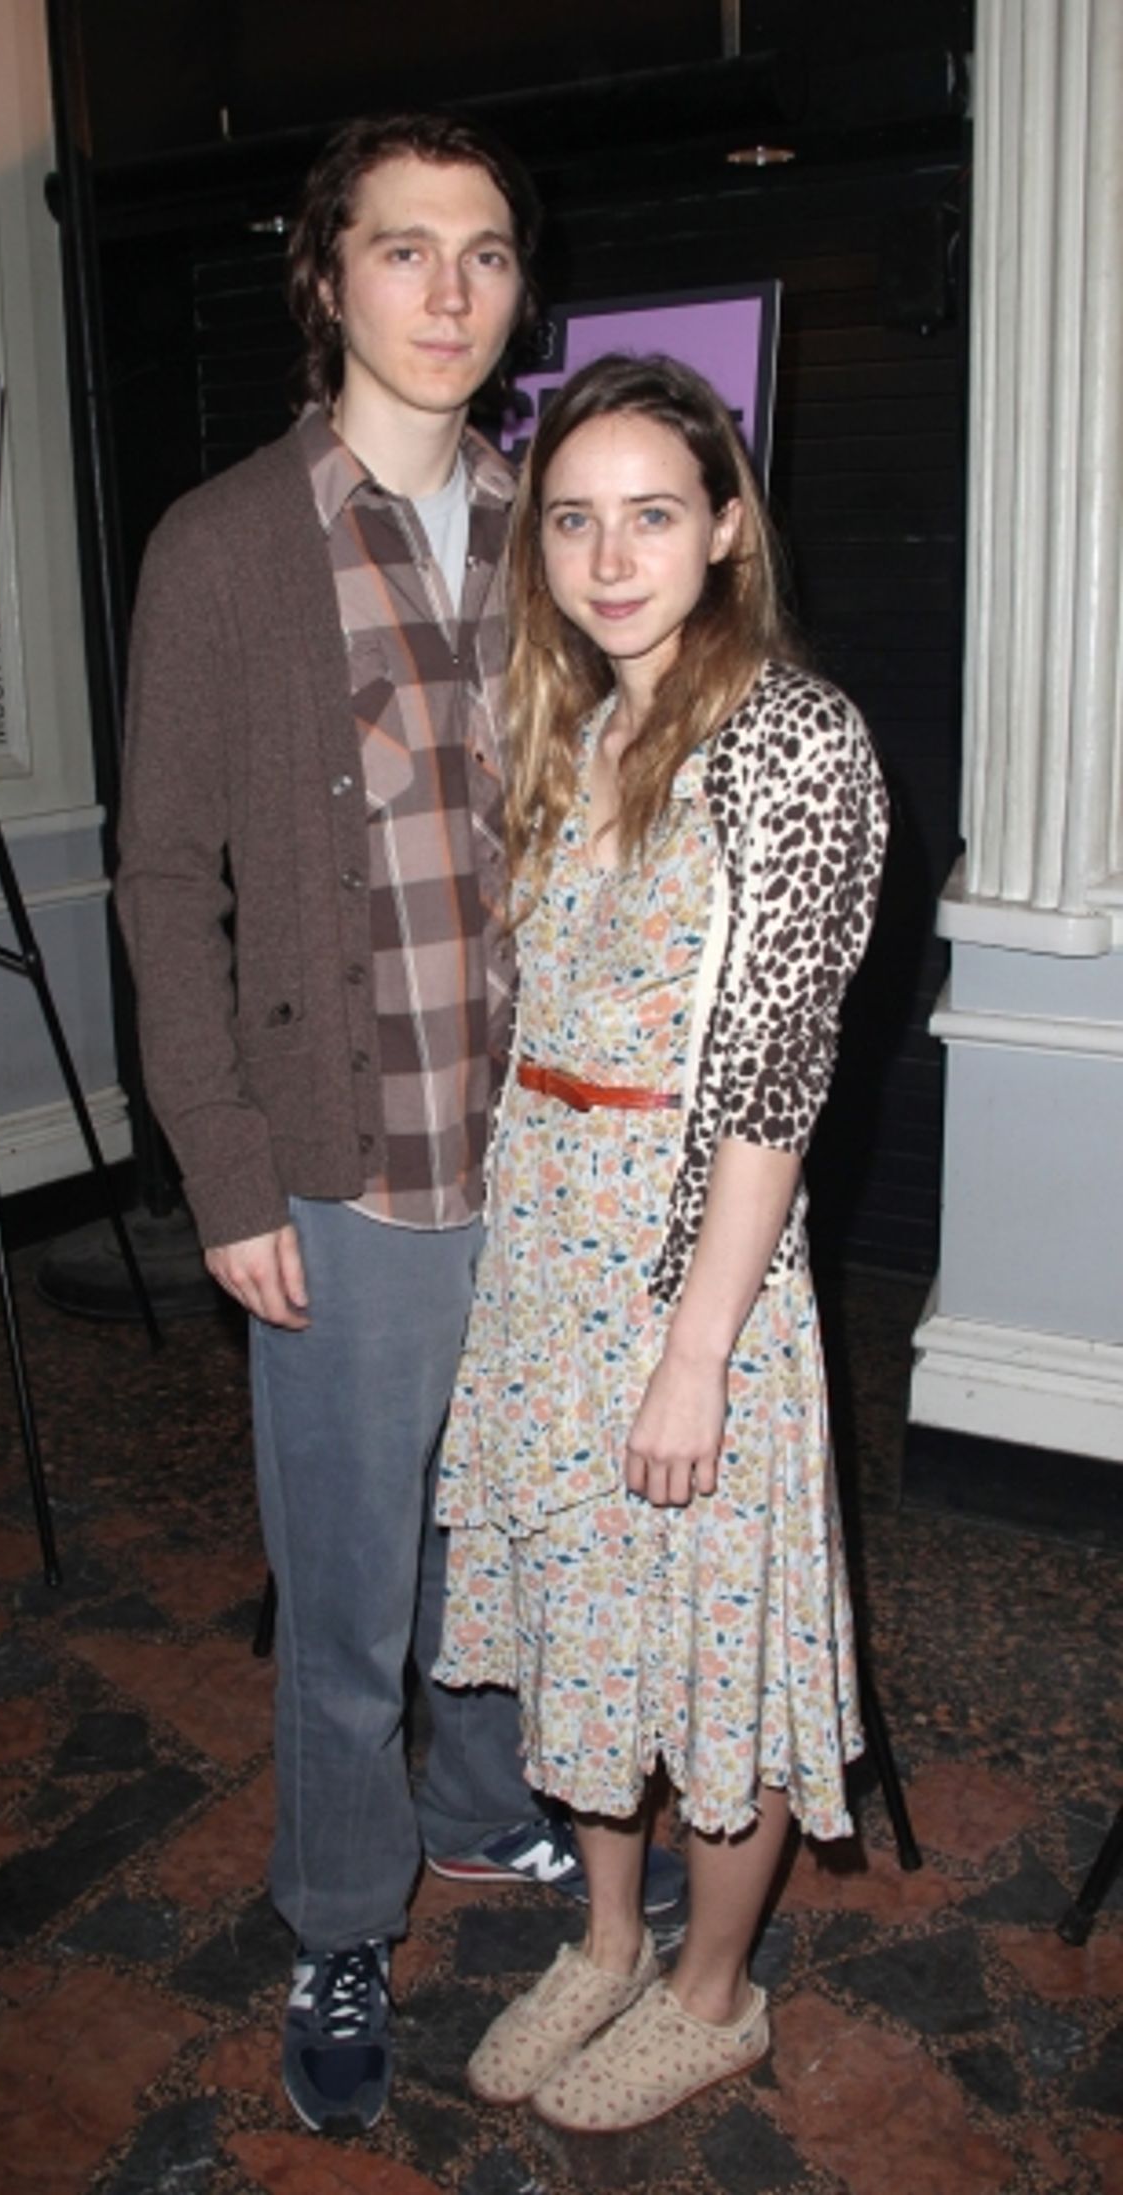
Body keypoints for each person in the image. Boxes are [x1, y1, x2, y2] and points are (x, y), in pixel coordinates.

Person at [115, 116, 682, 2136]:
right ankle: (342, 1912)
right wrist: (226, 1166)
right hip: (342, 1173)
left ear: (523, 292)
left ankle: (472, 1814)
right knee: (351, 1583)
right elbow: (164, 879)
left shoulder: (557, 531)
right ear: (327, 274)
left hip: (540, 1160)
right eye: (405, 249)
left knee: (511, 1541)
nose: (450, 290)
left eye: (490, 254)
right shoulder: (222, 545)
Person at [433, 352, 890, 2132]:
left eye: (651, 514)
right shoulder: (573, 720)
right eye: (573, 518)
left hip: (684, 1263)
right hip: (546, 1247)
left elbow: (777, 1084)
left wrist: (697, 1350)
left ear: (723, 527)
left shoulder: (794, 738)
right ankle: (608, 1945)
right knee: (581, 1628)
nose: (611, 555)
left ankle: (712, 1990)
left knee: (710, 1645)